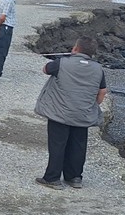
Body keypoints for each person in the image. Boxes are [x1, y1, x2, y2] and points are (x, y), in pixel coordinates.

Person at [34, 37, 107, 189]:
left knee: (57, 144)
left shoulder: (62, 63)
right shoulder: (98, 69)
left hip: (60, 112)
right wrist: (93, 105)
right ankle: (74, 177)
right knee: (78, 145)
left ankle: (52, 178)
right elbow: (102, 92)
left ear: (75, 49)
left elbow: (46, 69)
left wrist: (66, 59)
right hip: (82, 113)